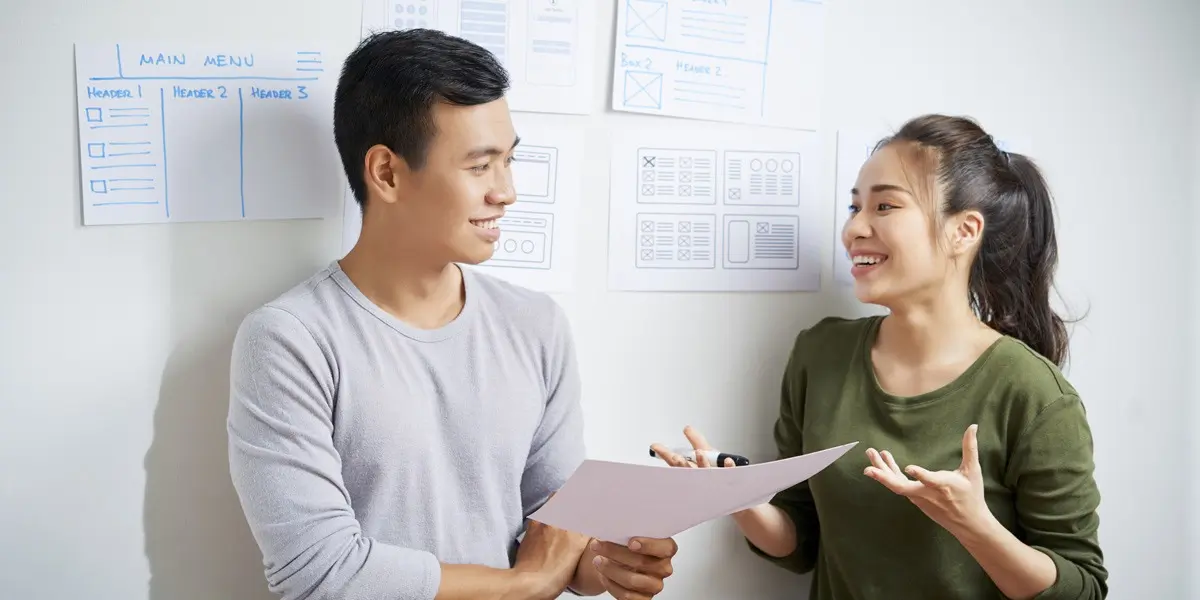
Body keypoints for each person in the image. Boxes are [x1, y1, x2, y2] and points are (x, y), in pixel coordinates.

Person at [227, 29, 677, 600]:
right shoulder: (290, 339)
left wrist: (608, 564)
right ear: (387, 173)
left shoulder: (536, 324)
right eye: (480, 166)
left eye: (509, 161)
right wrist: (528, 583)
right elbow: (320, 573)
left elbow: (554, 528)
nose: (507, 191)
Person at [651, 114, 1107, 600]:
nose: (854, 229)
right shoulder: (820, 354)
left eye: (885, 205)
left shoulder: (1034, 395)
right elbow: (801, 539)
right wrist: (736, 499)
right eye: (854, 207)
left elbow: (1082, 589)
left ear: (964, 231)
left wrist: (975, 526)